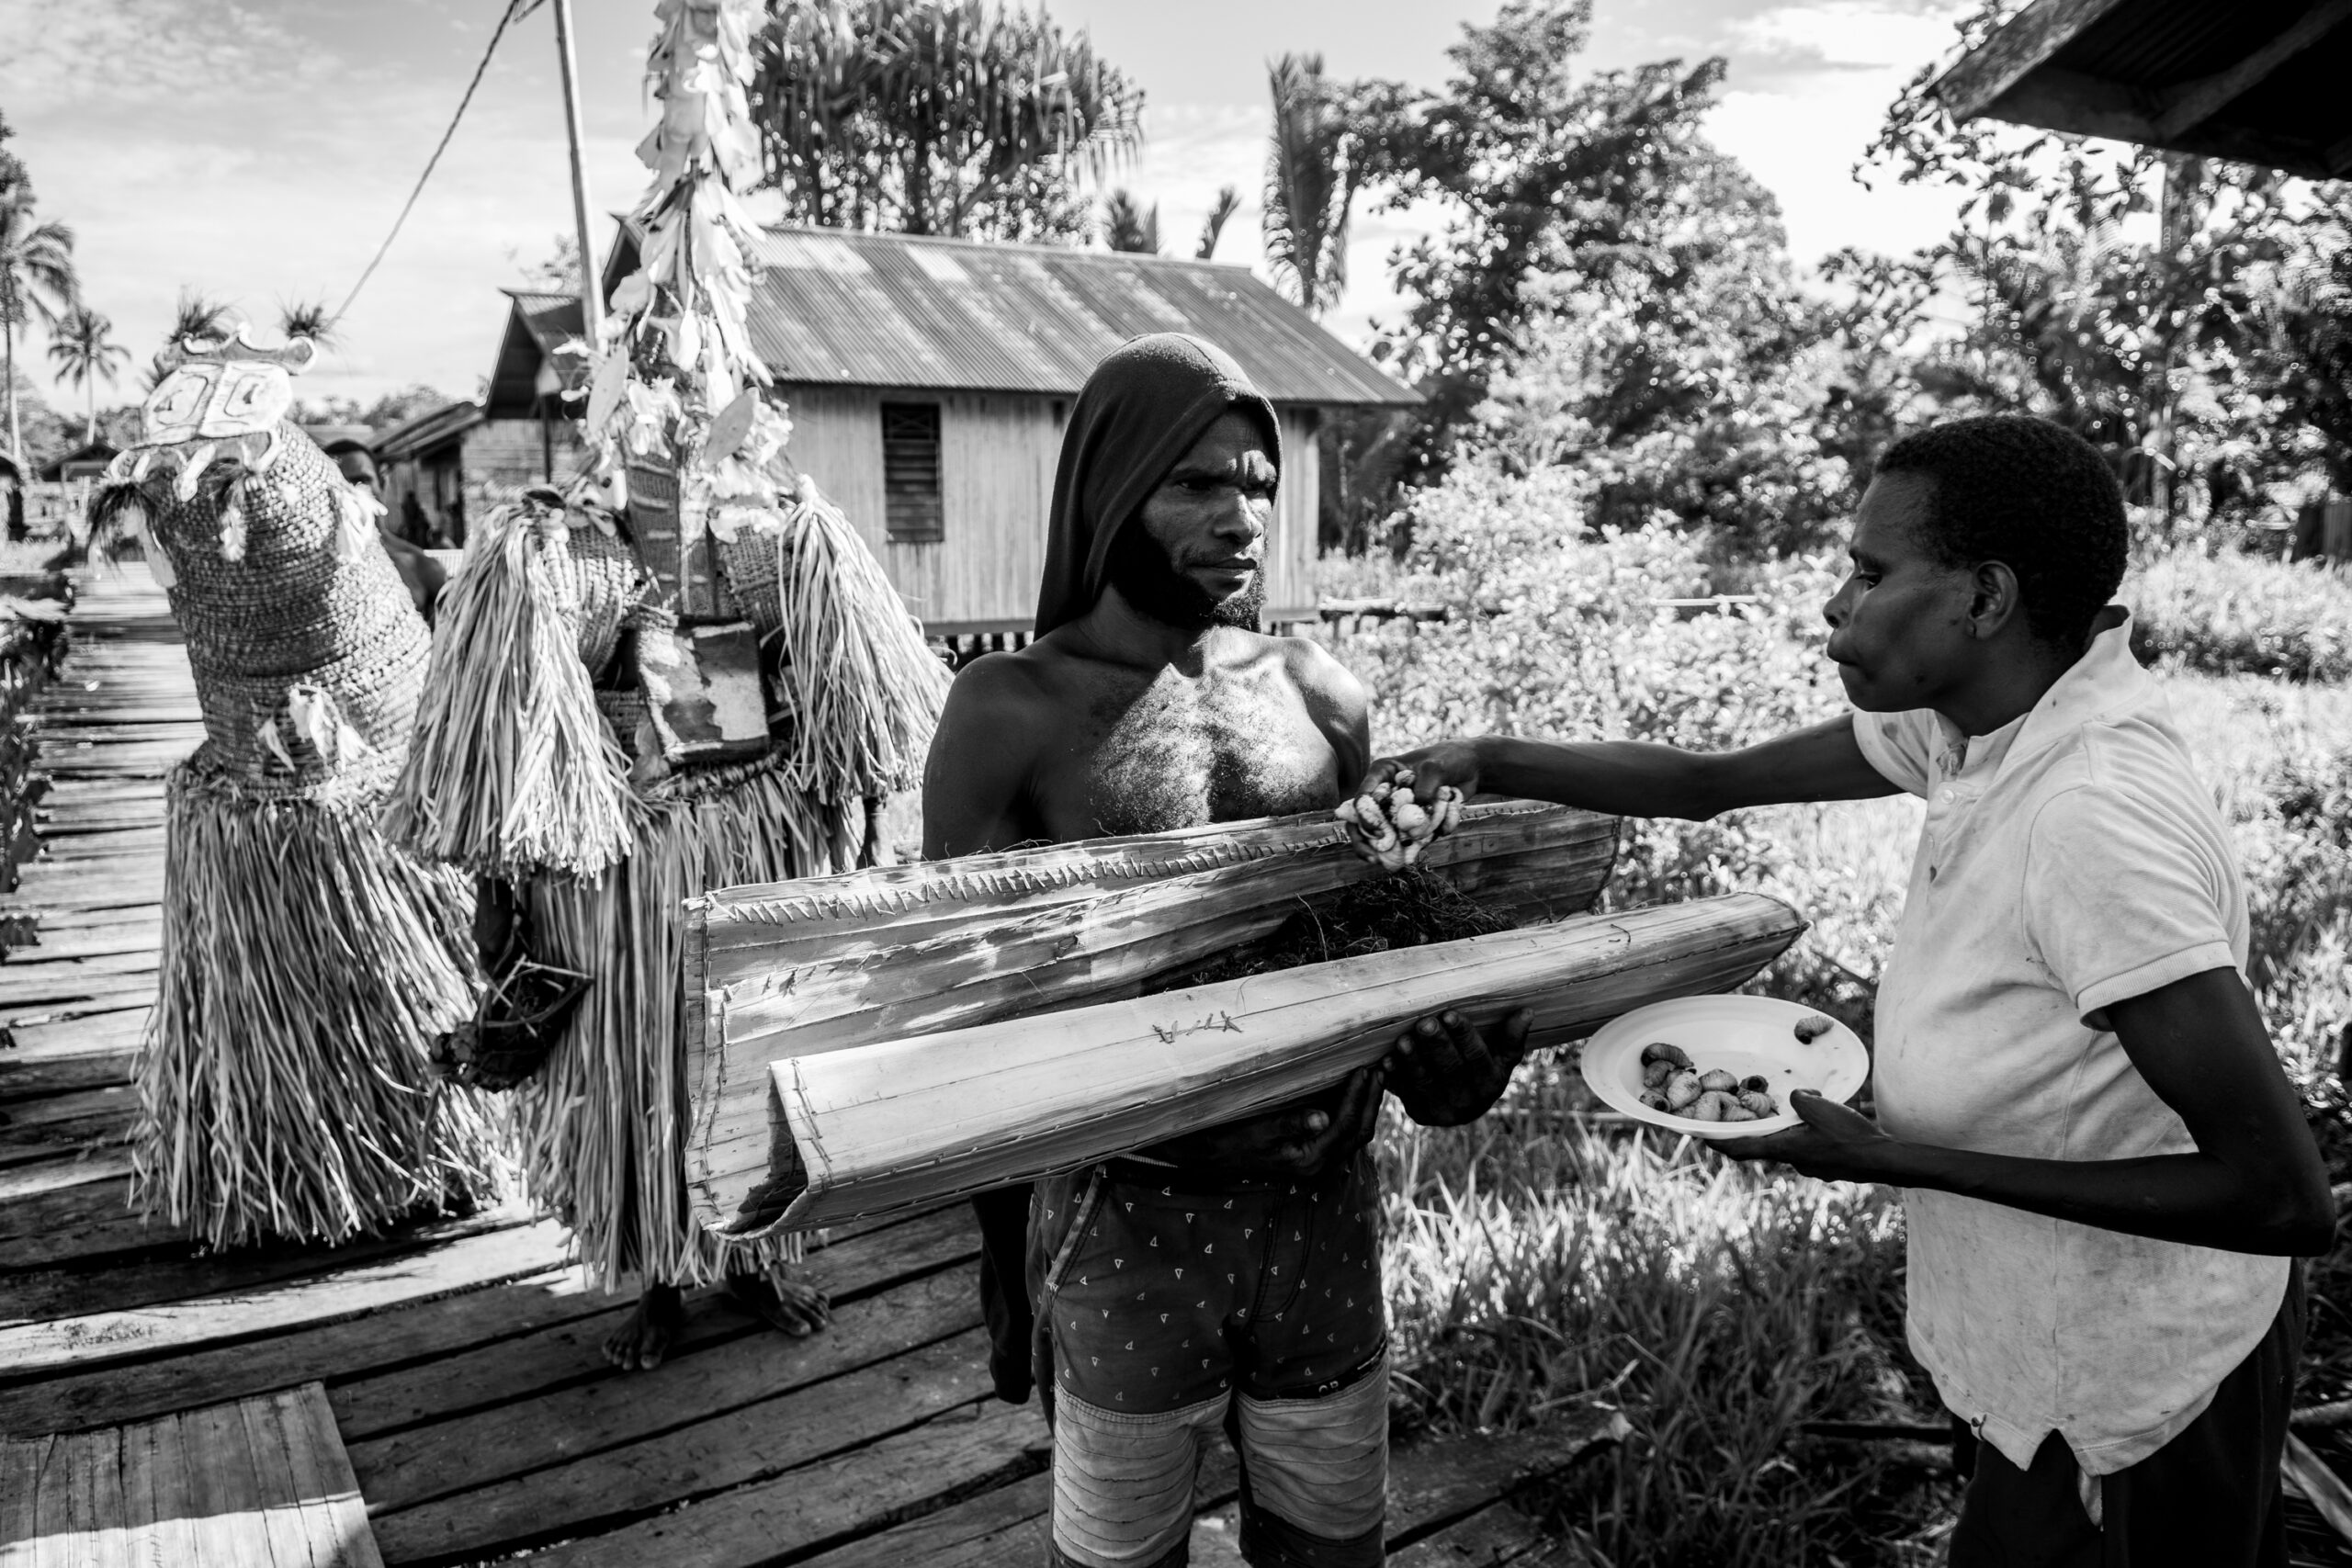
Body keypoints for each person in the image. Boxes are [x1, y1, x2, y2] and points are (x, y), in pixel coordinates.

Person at [1365, 414, 2334, 1568]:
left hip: (2149, 1370)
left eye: (1869, 572)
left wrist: (1888, 1157)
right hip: (2051, 1342)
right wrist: (1482, 758)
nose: (1834, 603)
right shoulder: (1976, 730)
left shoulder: (2088, 818)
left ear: (1982, 599)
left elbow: (2283, 1197)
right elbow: (1708, 785)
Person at [922, 333, 1530, 1568]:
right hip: (1126, 1216)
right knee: (1121, 1554)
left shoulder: (1323, 693)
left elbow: (1382, 926)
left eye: (1258, 482)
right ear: (1111, 489)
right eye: (1198, 481)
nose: (1242, 512)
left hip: (1325, 1212)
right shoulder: (1012, 711)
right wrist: (1004, 1264)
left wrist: (1447, 1071)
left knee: (1328, 1545)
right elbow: (968, 999)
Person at [323, 440, 446, 622]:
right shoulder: (307, 569)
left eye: (362, 480)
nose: (351, 490)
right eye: (338, 482)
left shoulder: (422, 567)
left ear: (382, 484)